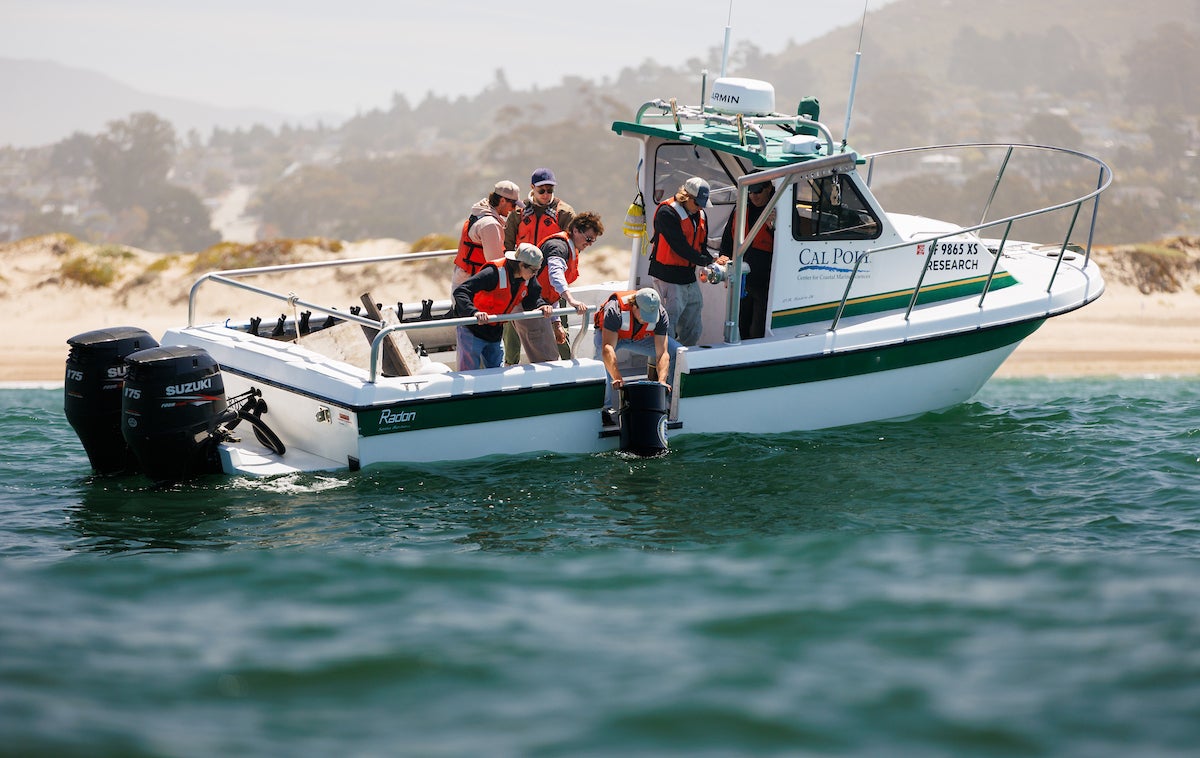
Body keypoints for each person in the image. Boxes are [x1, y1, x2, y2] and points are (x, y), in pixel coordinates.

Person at [502, 168, 576, 364]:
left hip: (551, 278)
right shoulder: (518, 213)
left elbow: (572, 246)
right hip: (522, 278)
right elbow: (507, 246)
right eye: (541, 190)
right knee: (512, 326)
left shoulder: (565, 213)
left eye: (550, 190)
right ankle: (510, 365)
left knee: (559, 324)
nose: (546, 195)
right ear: (532, 188)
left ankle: (568, 363)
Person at [648, 176, 729, 346]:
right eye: (697, 203)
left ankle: (685, 357)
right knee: (668, 322)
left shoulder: (700, 215)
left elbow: (700, 247)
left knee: (694, 322)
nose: (700, 207)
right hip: (667, 276)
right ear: (686, 197)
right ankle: (662, 365)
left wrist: (714, 259)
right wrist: (707, 261)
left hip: (687, 276)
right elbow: (680, 247)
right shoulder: (667, 213)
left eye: (702, 204)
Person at [516, 212, 605, 362]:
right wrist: (571, 300)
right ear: (576, 230)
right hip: (530, 305)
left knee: (549, 357)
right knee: (547, 359)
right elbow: (555, 276)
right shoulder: (558, 247)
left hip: (543, 307)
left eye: (593, 241)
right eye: (588, 238)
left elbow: (551, 293)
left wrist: (556, 323)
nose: (589, 244)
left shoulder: (570, 249)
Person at [451, 243, 553, 371]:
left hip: (495, 332)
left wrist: (542, 305)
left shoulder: (528, 277)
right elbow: (461, 292)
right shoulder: (493, 273)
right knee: (468, 374)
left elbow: (533, 298)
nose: (535, 274)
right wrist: (474, 312)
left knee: (497, 374)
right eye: (533, 271)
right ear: (521, 265)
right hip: (472, 330)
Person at [593, 287, 681, 425]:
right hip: (613, 337)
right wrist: (617, 377)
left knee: (676, 351)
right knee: (600, 359)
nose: (647, 319)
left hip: (641, 339)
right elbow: (608, 348)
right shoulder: (614, 310)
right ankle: (606, 409)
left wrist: (662, 381)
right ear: (634, 306)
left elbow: (662, 353)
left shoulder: (661, 314)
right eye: (644, 314)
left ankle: (668, 404)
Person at [719, 179, 776, 339]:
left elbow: (787, 244)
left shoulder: (780, 210)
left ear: (769, 188)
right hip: (742, 281)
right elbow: (727, 241)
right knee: (739, 326)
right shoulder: (740, 208)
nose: (753, 196)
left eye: (757, 191)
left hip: (765, 284)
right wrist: (724, 260)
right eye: (749, 192)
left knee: (757, 330)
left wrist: (773, 227)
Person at [451, 180, 523, 293]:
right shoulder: (490, 224)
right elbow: (496, 262)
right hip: (473, 283)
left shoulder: (479, 213)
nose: (514, 209)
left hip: (463, 276)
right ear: (502, 201)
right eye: (513, 205)